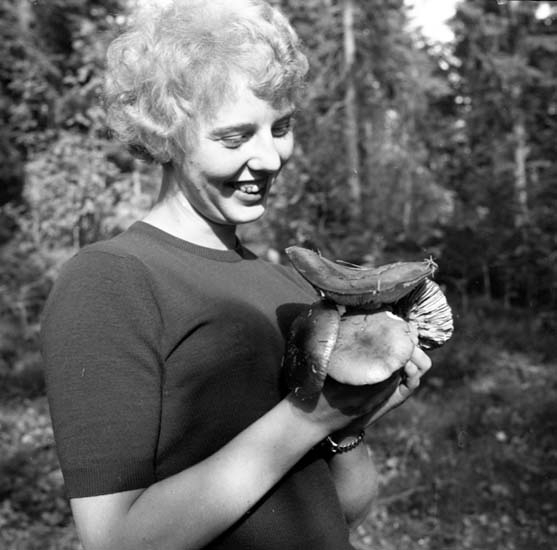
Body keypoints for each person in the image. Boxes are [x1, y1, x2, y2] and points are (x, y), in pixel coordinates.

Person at [40, 1, 432, 549]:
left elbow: (344, 511)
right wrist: (308, 419)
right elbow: (115, 541)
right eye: (235, 137)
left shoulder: (290, 288)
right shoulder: (111, 281)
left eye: (281, 127)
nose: (270, 158)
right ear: (168, 134)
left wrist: (350, 423)